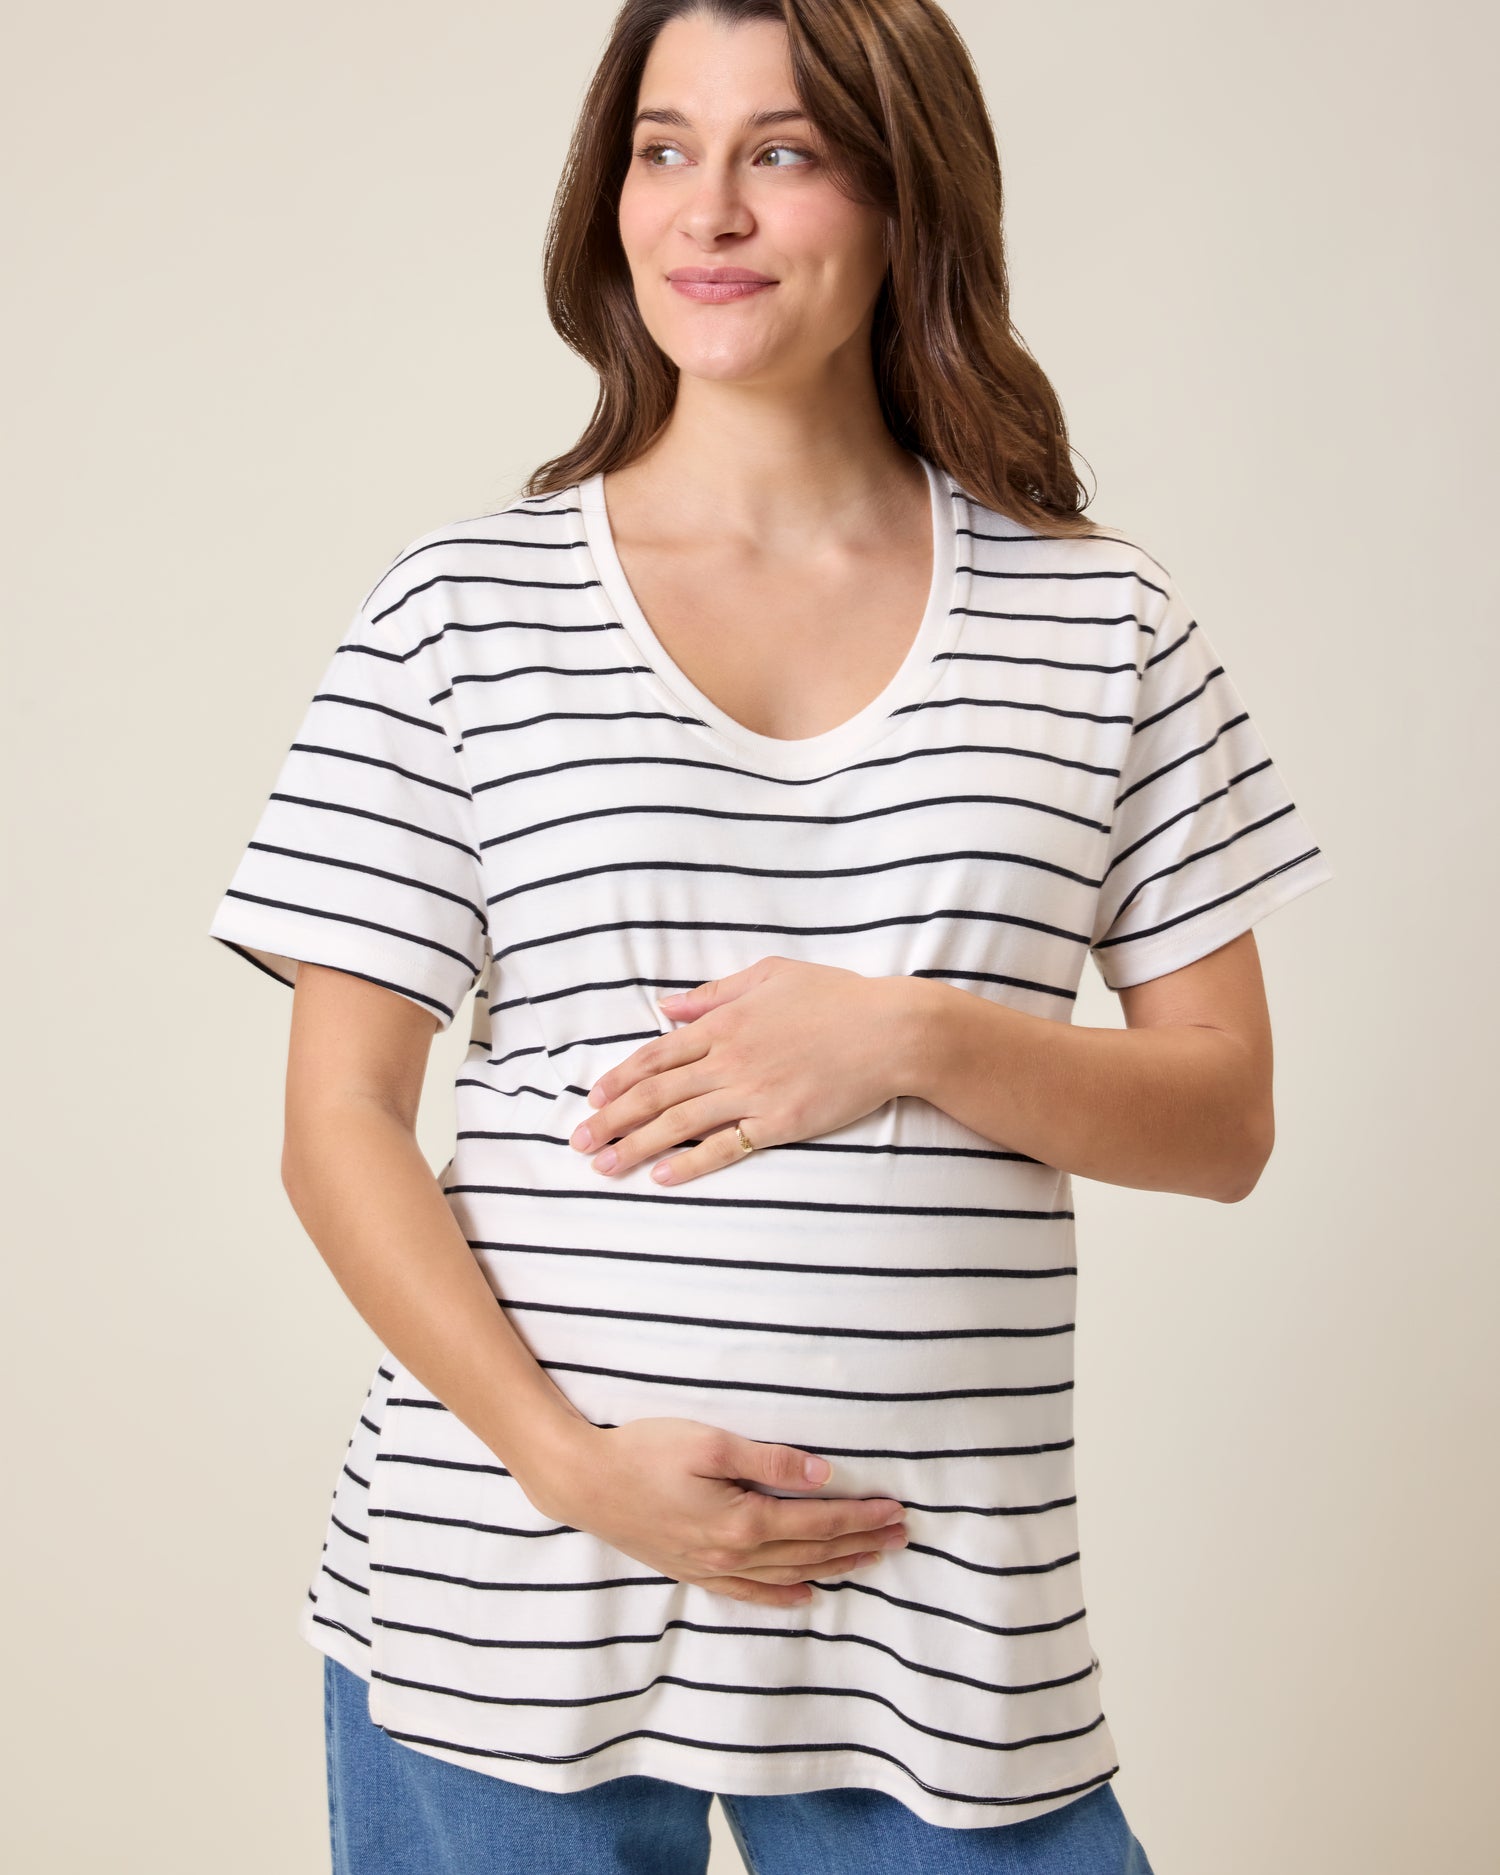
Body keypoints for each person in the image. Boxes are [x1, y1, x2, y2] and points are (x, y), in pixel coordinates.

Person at [208, 2, 1334, 1869]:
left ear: (908, 198)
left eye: (783, 152)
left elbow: (1225, 1124)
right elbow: (337, 1123)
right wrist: (575, 1472)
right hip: (520, 1586)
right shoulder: (459, 612)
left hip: (942, 1627)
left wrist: (913, 1036)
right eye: (663, 148)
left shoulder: (1101, 622)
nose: (706, 211)